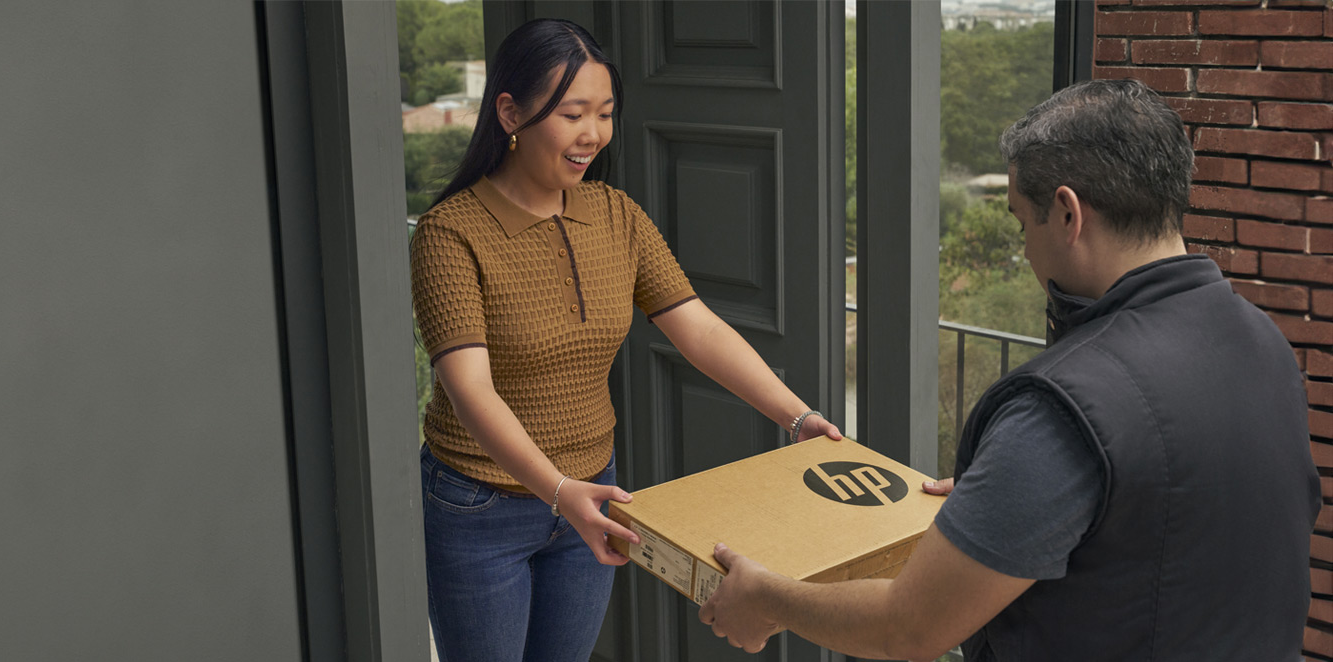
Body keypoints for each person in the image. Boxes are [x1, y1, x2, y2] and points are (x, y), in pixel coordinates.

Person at [697, 78, 1321, 661]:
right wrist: (1004, 495)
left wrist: (766, 598)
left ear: (1069, 214)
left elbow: (911, 626)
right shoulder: (1261, 341)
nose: (1026, 251)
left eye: (1025, 225)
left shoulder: (1064, 408)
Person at [410, 18, 843, 662]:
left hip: (596, 491)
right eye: (573, 113)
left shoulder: (616, 215)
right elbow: (471, 392)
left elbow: (697, 327)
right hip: (481, 507)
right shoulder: (451, 234)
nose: (593, 135)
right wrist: (558, 491)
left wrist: (798, 416)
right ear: (510, 112)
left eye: (606, 114)